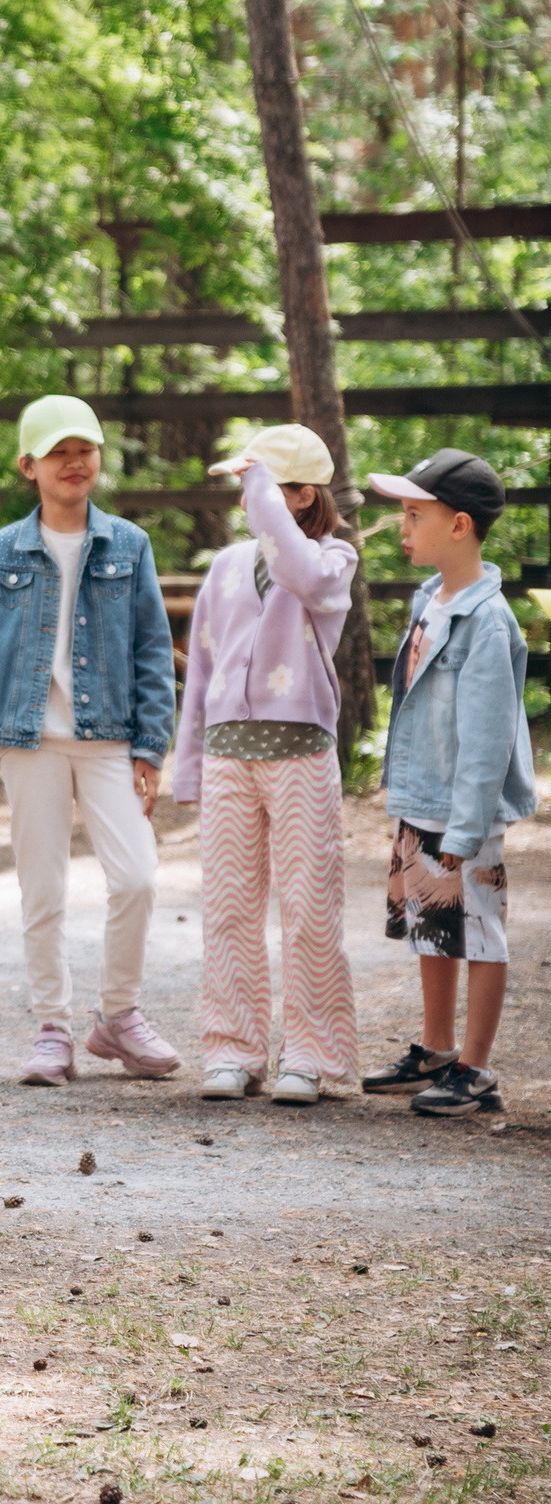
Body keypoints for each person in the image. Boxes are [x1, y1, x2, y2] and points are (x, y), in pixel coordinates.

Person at [0, 396, 181, 1086]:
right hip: (29, 742)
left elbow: (151, 648)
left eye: (85, 449)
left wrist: (151, 745)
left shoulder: (129, 546)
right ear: (29, 466)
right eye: (58, 452)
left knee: (137, 878)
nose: (74, 462)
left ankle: (117, 1017)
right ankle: (52, 1028)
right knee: (43, 889)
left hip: (110, 738)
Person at [172, 427, 358, 1107]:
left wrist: (258, 491)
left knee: (310, 912)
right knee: (228, 908)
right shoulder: (224, 567)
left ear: (302, 495)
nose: (248, 501)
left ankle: (313, 1054)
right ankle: (233, 1048)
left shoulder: (333, 560)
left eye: (265, 488)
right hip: (228, 758)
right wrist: (187, 765)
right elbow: (203, 671)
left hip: (302, 756)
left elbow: (298, 571)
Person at [361, 448, 535, 1118]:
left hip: (468, 810)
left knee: (480, 931)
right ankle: (436, 1048)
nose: (401, 527)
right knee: (430, 926)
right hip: (424, 797)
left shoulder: (488, 621)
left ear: (459, 525)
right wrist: (403, 798)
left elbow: (487, 738)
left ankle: (477, 1066)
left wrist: (466, 826)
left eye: (412, 514)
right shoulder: (426, 600)